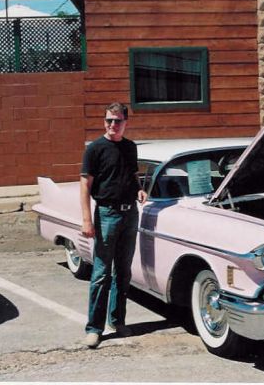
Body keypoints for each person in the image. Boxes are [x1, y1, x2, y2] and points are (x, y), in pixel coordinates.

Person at [80, 102, 148, 349]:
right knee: (101, 274)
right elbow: (85, 185)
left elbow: (131, 174)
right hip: (106, 214)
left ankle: (117, 321)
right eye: (108, 120)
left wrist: (140, 189)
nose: (112, 125)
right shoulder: (95, 149)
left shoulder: (130, 148)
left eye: (117, 121)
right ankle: (94, 329)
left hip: (130, 214)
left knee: (123, 272)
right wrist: (87, 220)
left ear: (125, 122)